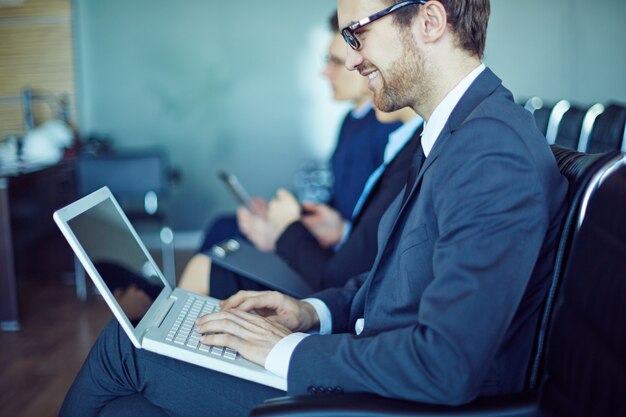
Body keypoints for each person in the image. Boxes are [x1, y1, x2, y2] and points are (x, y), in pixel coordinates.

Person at [59, 1, 568, 416]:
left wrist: (281, 351)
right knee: (126, 404)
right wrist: (308, 312)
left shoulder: (490, 152)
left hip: (387, 403)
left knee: (125, 350)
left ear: (430, 22)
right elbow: (392, 282)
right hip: (367, 375)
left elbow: (445, 364)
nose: (350, 59)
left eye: (358, 34)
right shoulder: (455, 135)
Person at [178, 12, 413, 296]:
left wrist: (287, 231)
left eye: (335, 62)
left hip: (333, 271)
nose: (328, 71)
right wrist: (298, 220)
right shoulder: (358, 124)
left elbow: (358, 253)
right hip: (332, 251)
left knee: (209, 262)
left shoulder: (396, 138)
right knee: (222, 230)